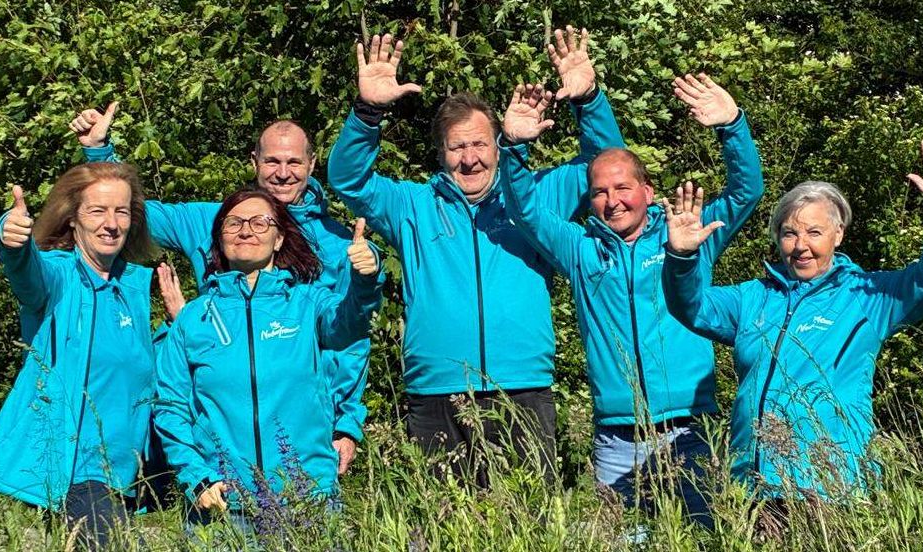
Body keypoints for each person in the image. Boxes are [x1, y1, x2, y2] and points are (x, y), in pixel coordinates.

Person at [325, 28, 625, 484]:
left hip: (522, 385)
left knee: (528, 525)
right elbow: (348, 179)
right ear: (440, 153)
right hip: (436, 392)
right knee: (443, 525)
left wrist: (589, 99)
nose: (470, 159)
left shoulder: (540, 193)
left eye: (480, 144)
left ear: (499, 146)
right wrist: (368, 112)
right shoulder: (413, 206)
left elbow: (607, 166)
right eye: (457, 146)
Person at [498, 74, 763, 527]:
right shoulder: (582, 251)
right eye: (599, 191)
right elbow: (525, 210)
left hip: (690, 429)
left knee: (701, 537)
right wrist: (513, 146)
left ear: (647, 192)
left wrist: (732, 125)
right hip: (617, 437)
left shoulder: (688, 233)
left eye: (622, 188)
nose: (612, 200)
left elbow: (745, 192)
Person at [662, 134, 923, 500]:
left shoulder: (865, 296)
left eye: (814, 232)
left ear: (838, 234)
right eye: (789, 233)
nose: (801, 245)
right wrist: (681, 257)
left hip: (830, 491)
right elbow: (691, 307)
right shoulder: (753, 298)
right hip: (753, 490)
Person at [70, 108, 373, 474]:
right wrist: (100, 152)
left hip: (305, 432)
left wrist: (346, 423)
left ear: (312, 163)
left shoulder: (338, 244)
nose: (282, 172)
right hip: (221, 436)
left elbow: (352, 341)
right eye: (271, 160)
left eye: (293, 161)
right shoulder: (218, 222)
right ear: (254, 162)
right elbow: (132, 218)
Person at [153, 188, 382, 534]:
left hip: (308, 500)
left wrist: (366, 279)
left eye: (261, 222)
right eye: (234, 223)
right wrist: (197, 477)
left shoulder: (307, 303)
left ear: (278, 239)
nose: (247, 230)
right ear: (219, 238)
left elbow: (348, 324)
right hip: (223, 509)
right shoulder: (193, 318)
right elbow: (170, 406)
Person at [0, 163, 159, 549]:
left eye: (121, 211)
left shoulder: (133, 287)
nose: (111, 223)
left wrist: (177, 325)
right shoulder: (60, 276)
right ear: (72, 219)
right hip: (79, 468)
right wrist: (12, 240)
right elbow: (27, 275)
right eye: (97, 211)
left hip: (128, 472)